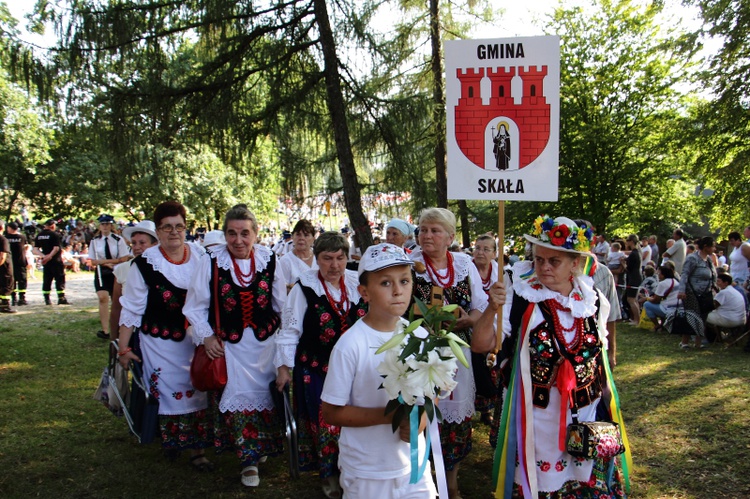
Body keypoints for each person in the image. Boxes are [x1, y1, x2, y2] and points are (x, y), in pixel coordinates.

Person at [471, 215, 628, 498]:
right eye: (538, 259)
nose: (543, 267)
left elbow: (598, 356)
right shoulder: (520, 294)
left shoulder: (592, 300)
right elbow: (481, 345)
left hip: (586, 416)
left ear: (575, 264)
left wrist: (606, 401)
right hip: (535, 419)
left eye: (553, 261)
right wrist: (491, 309)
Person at [321, 243, 438, 498]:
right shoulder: (351, 345)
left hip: (413, 467)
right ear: (364, 292)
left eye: (405, 281)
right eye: (386, 283)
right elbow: (331, 412)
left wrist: (421, 420)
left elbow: (432, 390)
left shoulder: (417, 334)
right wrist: (391, 415)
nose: (398, 291)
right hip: (367, 471)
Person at [184, 205, 286, 487]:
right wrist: (206, 336)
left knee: (266, 398)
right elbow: (194, 306)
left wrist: (284, 343)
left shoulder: (271, 260)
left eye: (244, 233)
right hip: (231, 348)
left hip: (265, 347)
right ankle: (248, 461)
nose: (238, 240)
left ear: (255, 234)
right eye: (231, 233)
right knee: (239, 399)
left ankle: (259, 446)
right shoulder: (212, 261)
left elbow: (282, 306)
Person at [117, 201, 212, 469]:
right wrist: (123, 348)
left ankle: (197, 449)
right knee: (170, 392)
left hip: (195, 340)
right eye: (167, 227)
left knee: (198, 389)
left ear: (186, 228)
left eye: (179, 226)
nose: (174, 232)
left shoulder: (200, 256)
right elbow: (131, 309)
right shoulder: (144, 265)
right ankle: (172, 442)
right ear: (157, 231)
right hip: (160, 342)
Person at [275, 231, 367, 498]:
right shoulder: (304, 288)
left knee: (353, 421)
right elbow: (290, 331)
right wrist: (283, 367)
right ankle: (329, 475)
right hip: (317, 368)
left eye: (340, 258)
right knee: (326, 423)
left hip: (354, 370)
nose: (334, 265)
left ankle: (354, 469)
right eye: (327, 258)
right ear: (317, 259)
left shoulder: (357, 284)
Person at [409, 207, 488, 498]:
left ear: (450, 237)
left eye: (434, 230)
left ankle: (451, 481)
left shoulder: (465, 264)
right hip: (420, 353)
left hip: (459, 354)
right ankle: (423, 480)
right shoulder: (409, 264)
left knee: (453, 414)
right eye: (422, 229)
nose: (426, 235)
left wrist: (471, 320)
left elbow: (480, 303)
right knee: (422, 412)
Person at [108, 221, 159, 343]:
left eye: (142, 243)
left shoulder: (165, 269)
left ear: (155, 244)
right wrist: (115, 339)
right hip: (131, 333)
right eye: (134, 243)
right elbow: (116, 307)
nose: (136, 247)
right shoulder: (122, 269)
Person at [471, 234, 500, 426]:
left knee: (492, 368)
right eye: (477, 248)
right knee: (475, 369)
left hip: (494, 326)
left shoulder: (501, 273)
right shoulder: (465, 269)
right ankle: (472, 407)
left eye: (486, 249)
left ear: (495, 254)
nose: (480, 252)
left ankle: (488, 410)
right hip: (471, 326)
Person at [90, 214, 132, 339]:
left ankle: (118, 328)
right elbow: (93, 261)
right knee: (102, 298)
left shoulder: (118, 240)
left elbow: (124, 258)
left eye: (107, 224)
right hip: (101, 272)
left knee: (117, 300)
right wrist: (105, 263)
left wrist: (107, 262)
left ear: (111, 225)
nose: (105, 226)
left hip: (115, 271)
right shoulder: (94, 241)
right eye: (102, 224)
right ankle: (105, 330)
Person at [676, 236, 717, 349]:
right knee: (692, 317)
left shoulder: (708, 260)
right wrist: (682, 290)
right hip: (691, 293)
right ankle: (684, 342)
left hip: (705, 293)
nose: (714, 249)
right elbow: (685, 274)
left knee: (702, 319)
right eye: (712, 246)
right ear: (705, 247)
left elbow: (713, 275)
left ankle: (698, 343)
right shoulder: (692, 258)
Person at [34, 219, 69, 305]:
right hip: (56, 261)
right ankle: (61, 298)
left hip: (46, 262)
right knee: (59, 278)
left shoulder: (39, 235)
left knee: (47, 279)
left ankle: (47, 299)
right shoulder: (54, 235)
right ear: (52, 225)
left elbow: (35, 249)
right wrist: (49, 256)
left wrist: (43, 256)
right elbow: (56, 248)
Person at [278, 219, 318, 293]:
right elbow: (281, 289)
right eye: (298, 234)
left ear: (313, 238)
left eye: (306, 235)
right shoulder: (285, 261)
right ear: (292, 237)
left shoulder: (319, 257)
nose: (301, 238)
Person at [705, 273, 747, 341]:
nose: (717, 283)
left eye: (718, 281)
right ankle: (719, 336)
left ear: (725, 283)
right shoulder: (733, 291)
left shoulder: (724, 292)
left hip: (731, 319)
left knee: (702, 315)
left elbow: (712, 306)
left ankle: (712, 338)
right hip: (740, 319)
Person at [4, 222, 28, 306]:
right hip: (21, 261)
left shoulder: (5, 238)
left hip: (10, 262)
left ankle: (14, 299)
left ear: (10, 228)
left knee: (11, 281)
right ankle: (22, 298)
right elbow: (26, 247)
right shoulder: (22, 237)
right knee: (22, 280)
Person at [624, 234, 643, 326]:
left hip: (634, 278)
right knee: (634, 299)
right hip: (636, 277)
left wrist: (622, 263)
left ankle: (637, 320)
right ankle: (636, 319)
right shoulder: (638, 252)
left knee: (631, 299)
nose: (626, 243)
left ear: (631, 241)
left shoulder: (634, 253)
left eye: (627, 240)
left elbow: (628, 268)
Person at [0, 221, 15, 313]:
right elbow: (2, 256)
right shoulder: (3, 239)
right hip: (4, 267)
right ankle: (5, 305)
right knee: (7, 285)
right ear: (2, 227)